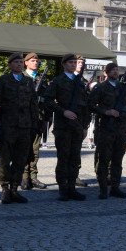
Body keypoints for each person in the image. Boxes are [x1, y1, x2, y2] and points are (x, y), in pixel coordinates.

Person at [42, 53, 91, 201]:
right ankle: (62, 188)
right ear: (64, 64)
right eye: (70, 62)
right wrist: (64, 111)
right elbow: (48, 101)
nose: (73, 65)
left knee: (75, 158)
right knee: (63, 158)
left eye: (74, 62)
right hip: (63, 126)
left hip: (77, 126)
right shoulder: (58, 81)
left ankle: (72, 187)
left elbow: (85, 106)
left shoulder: (80, 82)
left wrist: (84, 126)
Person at [0, 53, 38, 203]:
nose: (19, 64)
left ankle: (14, 189)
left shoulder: (28, 81)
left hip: (24, 126)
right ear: (10, 64)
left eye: (20, 62)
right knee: (5, 159)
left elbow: (33, 105)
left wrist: (34, 125)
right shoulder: (3, 81)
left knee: (20, 159)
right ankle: (5, 189)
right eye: (16, 62)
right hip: (7, 126)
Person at [89, 61, 126, 199]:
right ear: (106, 73)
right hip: (106, 128)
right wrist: (106, 112)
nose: (115, 72)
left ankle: (115, 187)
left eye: (116, 69)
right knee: (104, 159)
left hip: (120, 128)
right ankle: (103, 188)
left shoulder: (123, 88)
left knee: (117, 160)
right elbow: (90, 105)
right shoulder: (100, 88)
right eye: (112, 70)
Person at [21, 52, 48, 190]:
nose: (35, 63)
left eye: (37, 61)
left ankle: (33, 177)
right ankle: (24, 177)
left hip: (37, 119)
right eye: (32, 60)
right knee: (24, 149)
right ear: (26, 62)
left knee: (35, 150)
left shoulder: (41, 79)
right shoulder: (21, 78)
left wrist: (45, 120)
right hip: (24, 120)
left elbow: (45, 102)